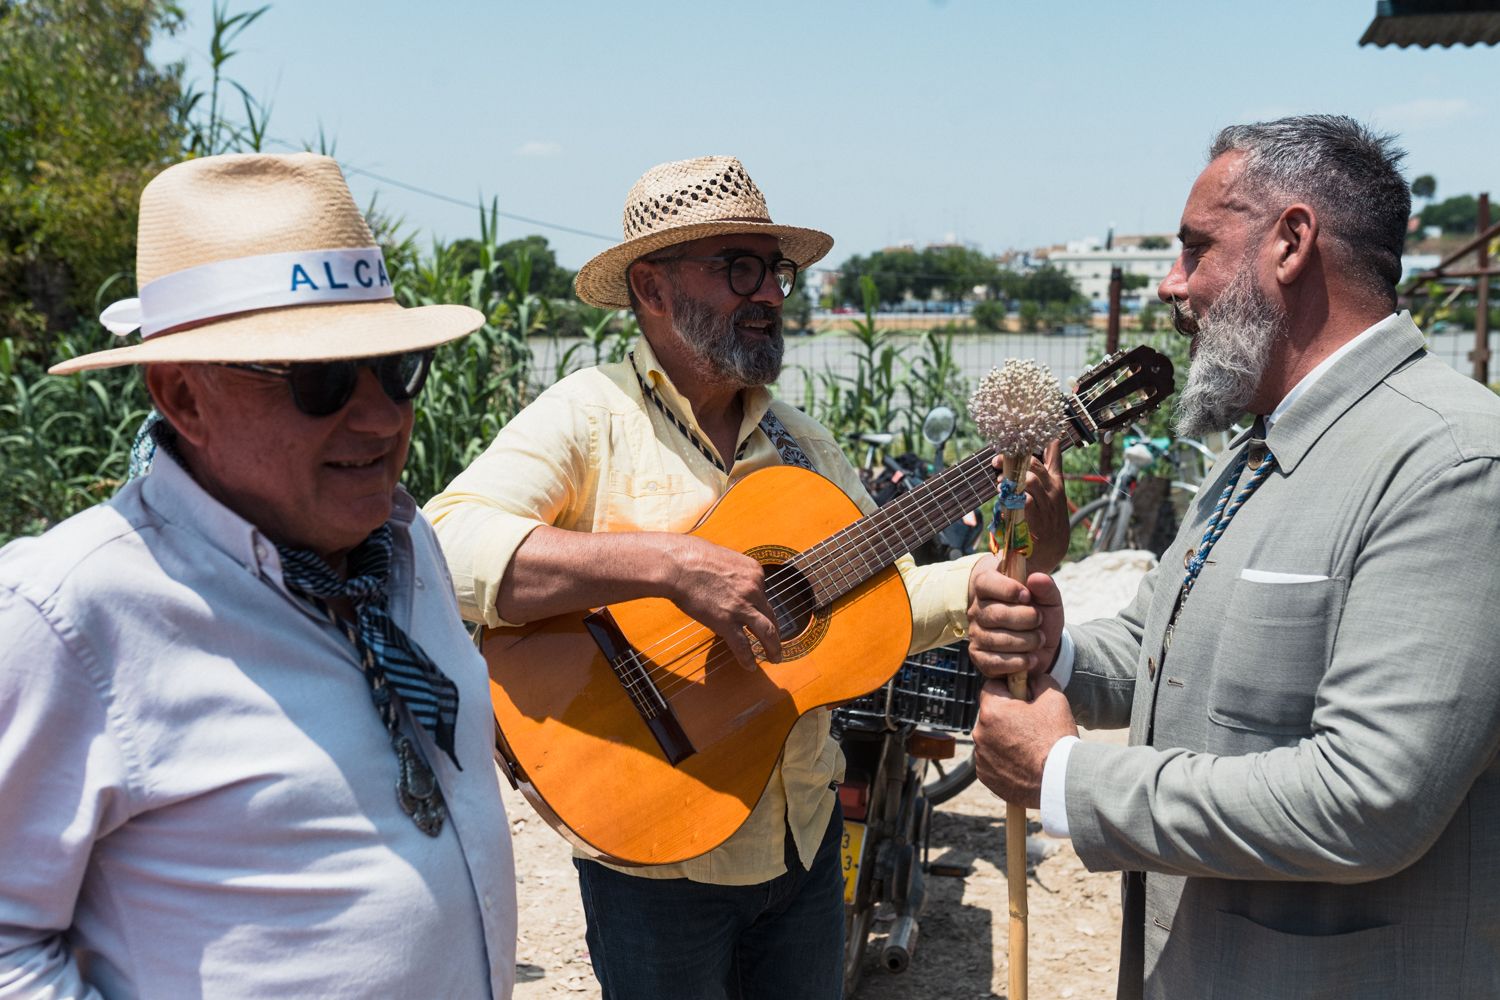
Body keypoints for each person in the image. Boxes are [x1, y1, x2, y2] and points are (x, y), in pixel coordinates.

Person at [424, 155, 1066, 999]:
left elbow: (883, 601)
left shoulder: (803, 443)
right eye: (739, 268)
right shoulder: (589, 417)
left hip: (804, 841)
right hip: (655, 846)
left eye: (776, 271)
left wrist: (987, 578)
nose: (768, 293)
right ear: (652, 288)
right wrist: (666, 566)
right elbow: (445, 544)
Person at [966, 114, 1500, 999]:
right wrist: (1054, 648)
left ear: (1291, 243)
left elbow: (1370, 799)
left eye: (1196, 248)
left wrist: (1067, 776)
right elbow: (1163, 649)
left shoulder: (1452, 464)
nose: (1172, 285)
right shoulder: (1257, 451)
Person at [0, 153, 517, 998]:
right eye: (321, 381)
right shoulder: (69, 615)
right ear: (183, 398)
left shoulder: (402, 542)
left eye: (398, 371)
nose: (382, 418)